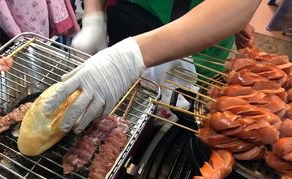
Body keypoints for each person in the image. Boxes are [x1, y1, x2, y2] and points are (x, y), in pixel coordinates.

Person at [43, 0, 261, 135]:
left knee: (173, 132)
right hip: (130, 25)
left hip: (197, 53)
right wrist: (94, 17)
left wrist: (130, 57)